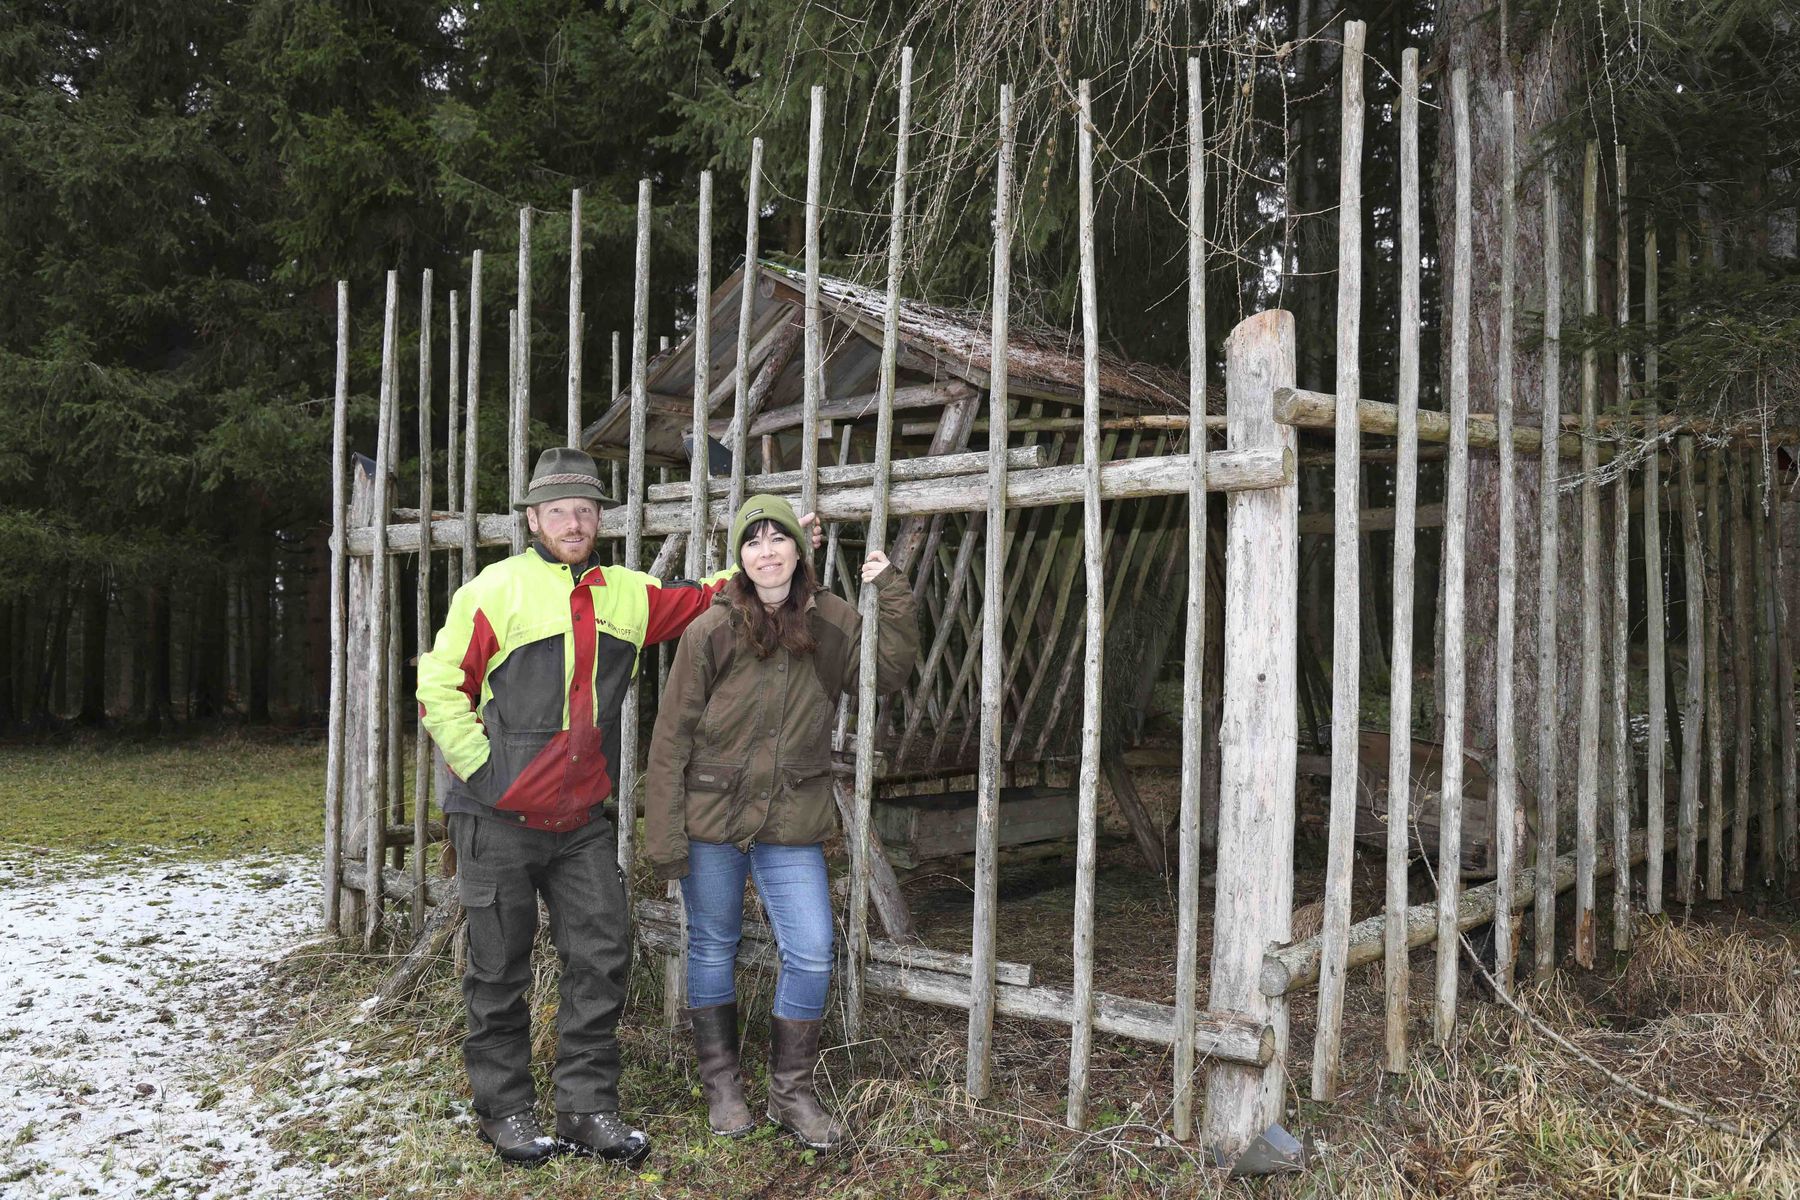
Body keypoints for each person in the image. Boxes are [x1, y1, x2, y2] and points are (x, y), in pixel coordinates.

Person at [416, 448, 819, 1167]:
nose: (573, 522)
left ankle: (584, 1107)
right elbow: (441, 686)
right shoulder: (494, 589)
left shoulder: (627, 594)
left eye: (585, 510)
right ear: (534, 519)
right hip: (496, 820)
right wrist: (486, 771)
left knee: (601, 958)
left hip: (581, 826)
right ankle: (505, 1110)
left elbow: (704, 597)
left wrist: (773, 555)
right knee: (498, 968)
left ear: (600, 518)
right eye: (558, 511)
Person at [644, 493, 918, 1150]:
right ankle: (723, 1084)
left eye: (777, 539)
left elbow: (884, 675)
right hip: (714, 817)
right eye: (753, 541)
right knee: (712, 944)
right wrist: (665, 834)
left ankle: (790, 1091)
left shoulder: (828, 621)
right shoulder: (710, 630)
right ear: (739, 558)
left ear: (800, 548)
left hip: (791, 818)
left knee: (812, 950)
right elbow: (671, 734)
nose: (766, 552)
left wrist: (895, 595)